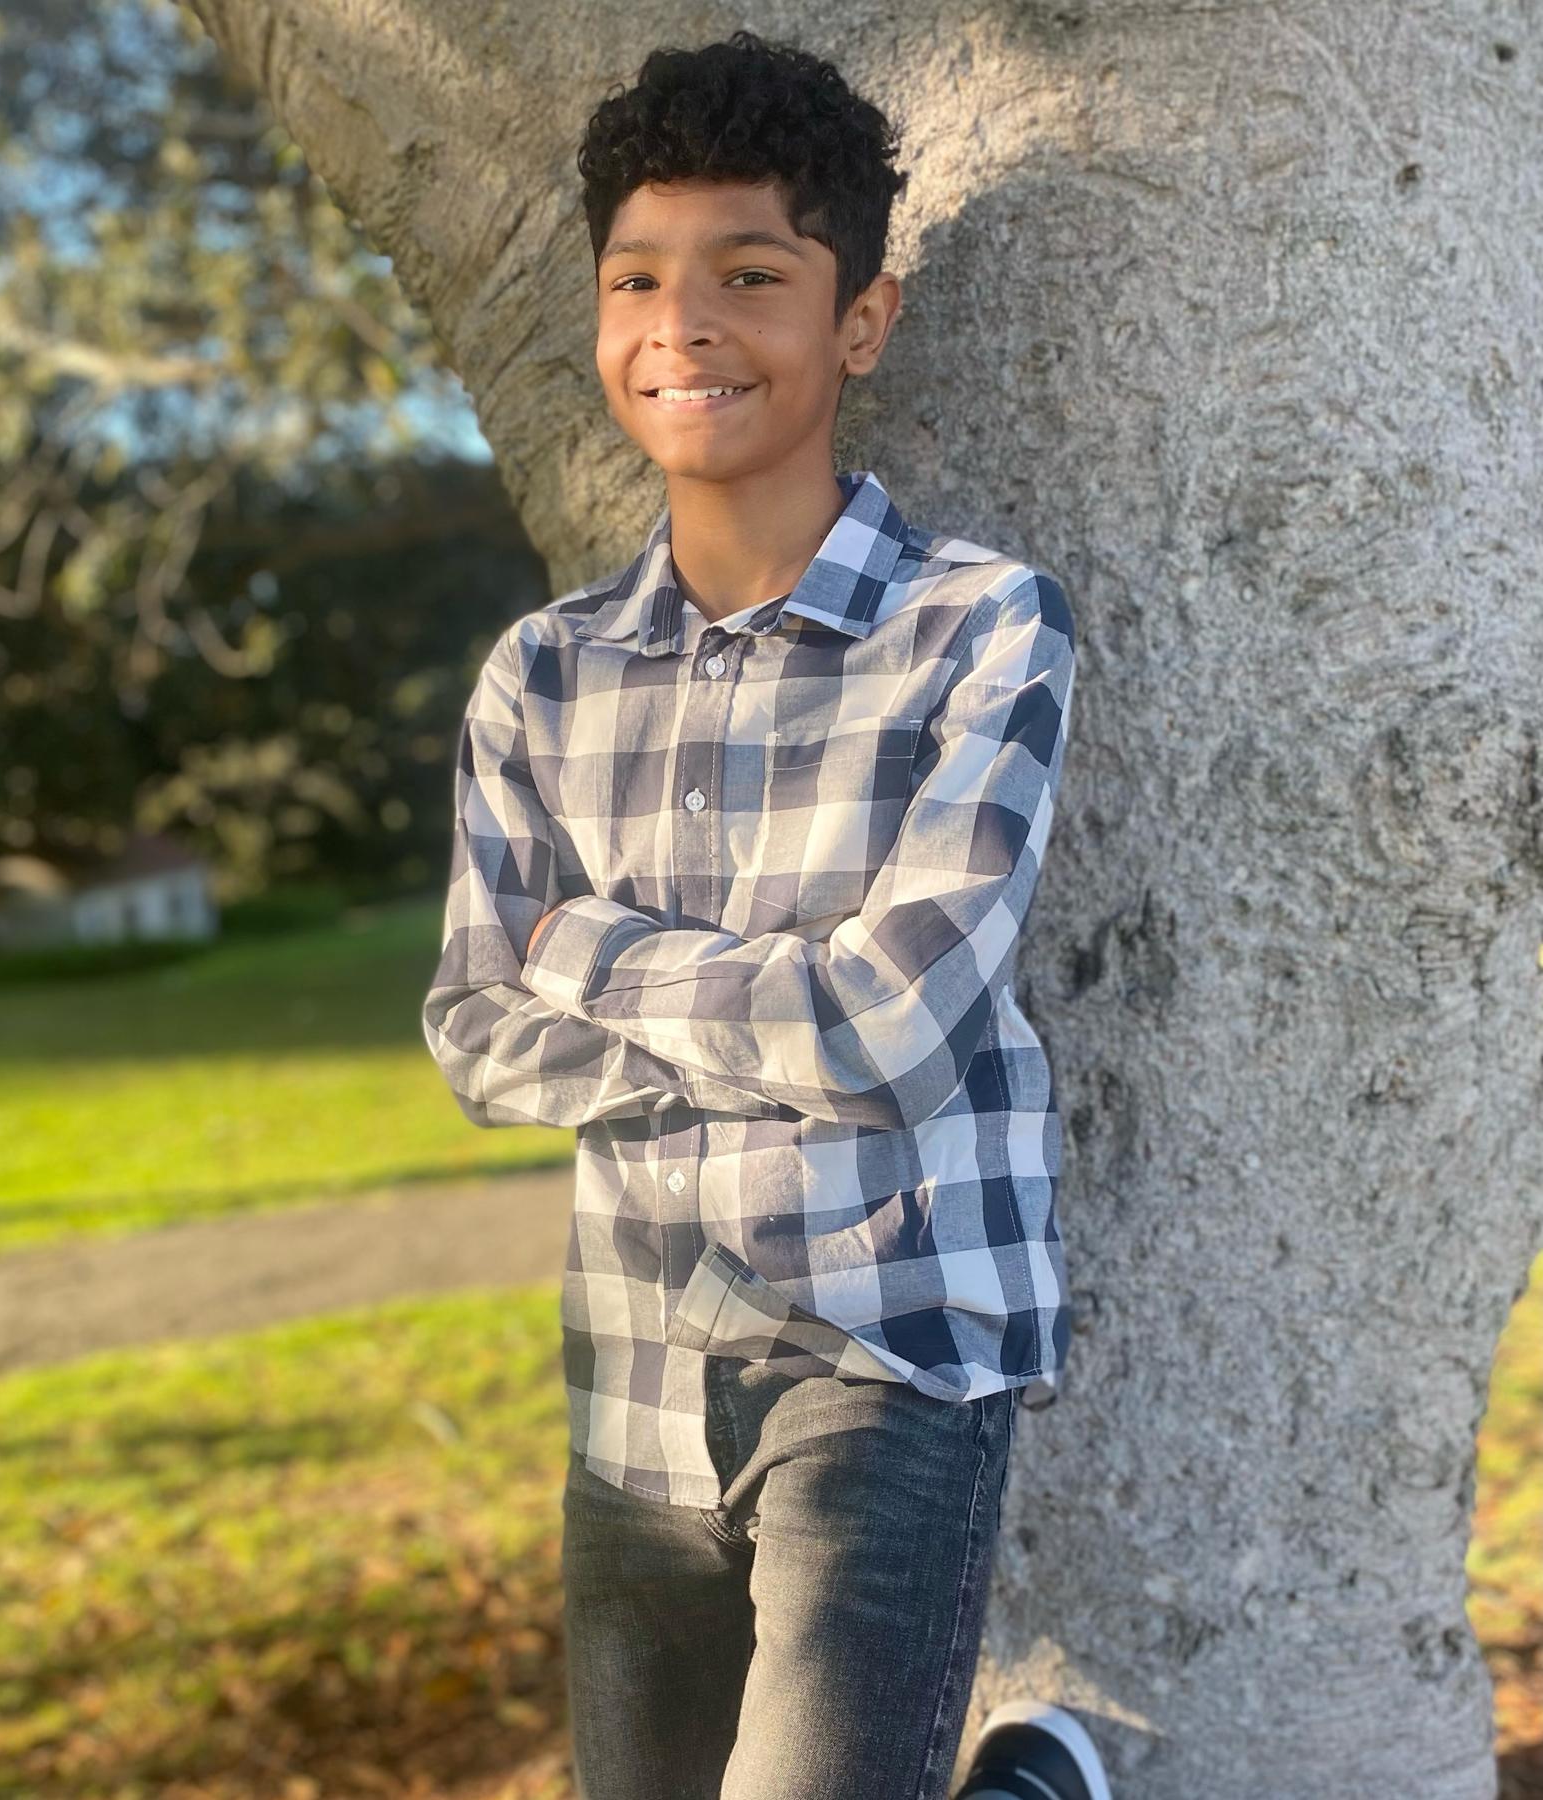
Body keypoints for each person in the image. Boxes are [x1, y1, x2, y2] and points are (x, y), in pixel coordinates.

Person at [421, 28, 1111, 1800]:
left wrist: (590, 950)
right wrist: (773, 1027)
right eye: (636, 277)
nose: (683, 324)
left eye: (749, 275)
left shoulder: (981, 628)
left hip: (894, 1342)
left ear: (858, 322)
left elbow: (892, 1031)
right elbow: (474, 1031)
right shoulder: (544, 675)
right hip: (634, 1364)